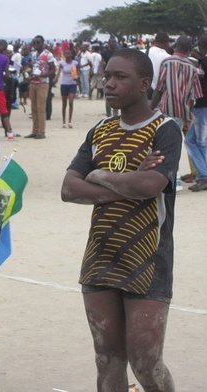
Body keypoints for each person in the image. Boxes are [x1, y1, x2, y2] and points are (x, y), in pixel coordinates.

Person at [61, 48, 181, 392]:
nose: (108, 83)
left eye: (119, 77)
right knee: (108, 360)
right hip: (100, 256)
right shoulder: (100, 130)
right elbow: (69, 189)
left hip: (147, 259)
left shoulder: (165, 129)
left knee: (146, 362)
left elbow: (151, 185)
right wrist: (123, 182)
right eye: (107, 76)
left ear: (144, 84)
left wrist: (96, 175)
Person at [151, 36, 203, 192]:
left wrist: (151, 109)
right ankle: (182, 177)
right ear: (188, 49)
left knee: (163, 144)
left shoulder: (167, 62)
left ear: (175, 47)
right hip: (183, 112)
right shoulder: (192, 67)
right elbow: (195, 96)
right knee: (179, 143)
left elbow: (159, 89)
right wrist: (189, 115)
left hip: (166, 109)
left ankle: (172, 178)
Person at [184, 32, 207, 191]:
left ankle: (204, 177)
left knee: (200, 142)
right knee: (191, 141)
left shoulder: (204, 62)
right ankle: (202, 174)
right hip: (201, 107)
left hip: (202, 106)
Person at [26, 35, 56, 139]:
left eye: (38, 42)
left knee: (41, 107)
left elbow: (53, 69)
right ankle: (35, 130)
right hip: (33, 82)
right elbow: (33, 66)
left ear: (43, 43)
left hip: (43, 83)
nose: (36, 44)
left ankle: (41, 131)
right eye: (34, 42)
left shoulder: (48, 55)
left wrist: (42, 75)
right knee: (33, 108)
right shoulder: (33, 54)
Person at [54, 48, 79, 128]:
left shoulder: (75, 63)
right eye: (66, 53)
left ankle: (70, 121)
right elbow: (58, 73)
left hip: (72, 84)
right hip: (64, 84)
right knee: (64, 103)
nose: (68, 55)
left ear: (72, 55)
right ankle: (64, 121)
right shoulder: (62, 63)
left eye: (69, 53)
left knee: (71, 102)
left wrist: (77, 78)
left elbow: (77, 73)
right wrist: (55, 79)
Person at [147, 32, 170, 100]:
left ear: (155, 41)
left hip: (145, 94)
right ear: (166, 44)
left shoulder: (144, 52)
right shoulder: (169, 58)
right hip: (161, 97)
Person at [101, 36, 120, 117]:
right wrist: (103, 76)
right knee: (108, 96)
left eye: (115, 42)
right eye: (112, 42)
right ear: (109, 43)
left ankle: (115, 114)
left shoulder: (119, 53)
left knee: (117, 95)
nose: (114, 44)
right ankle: (108, 115)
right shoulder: (105, 53)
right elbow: (101, 65)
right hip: (108, 77)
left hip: (117, 77)